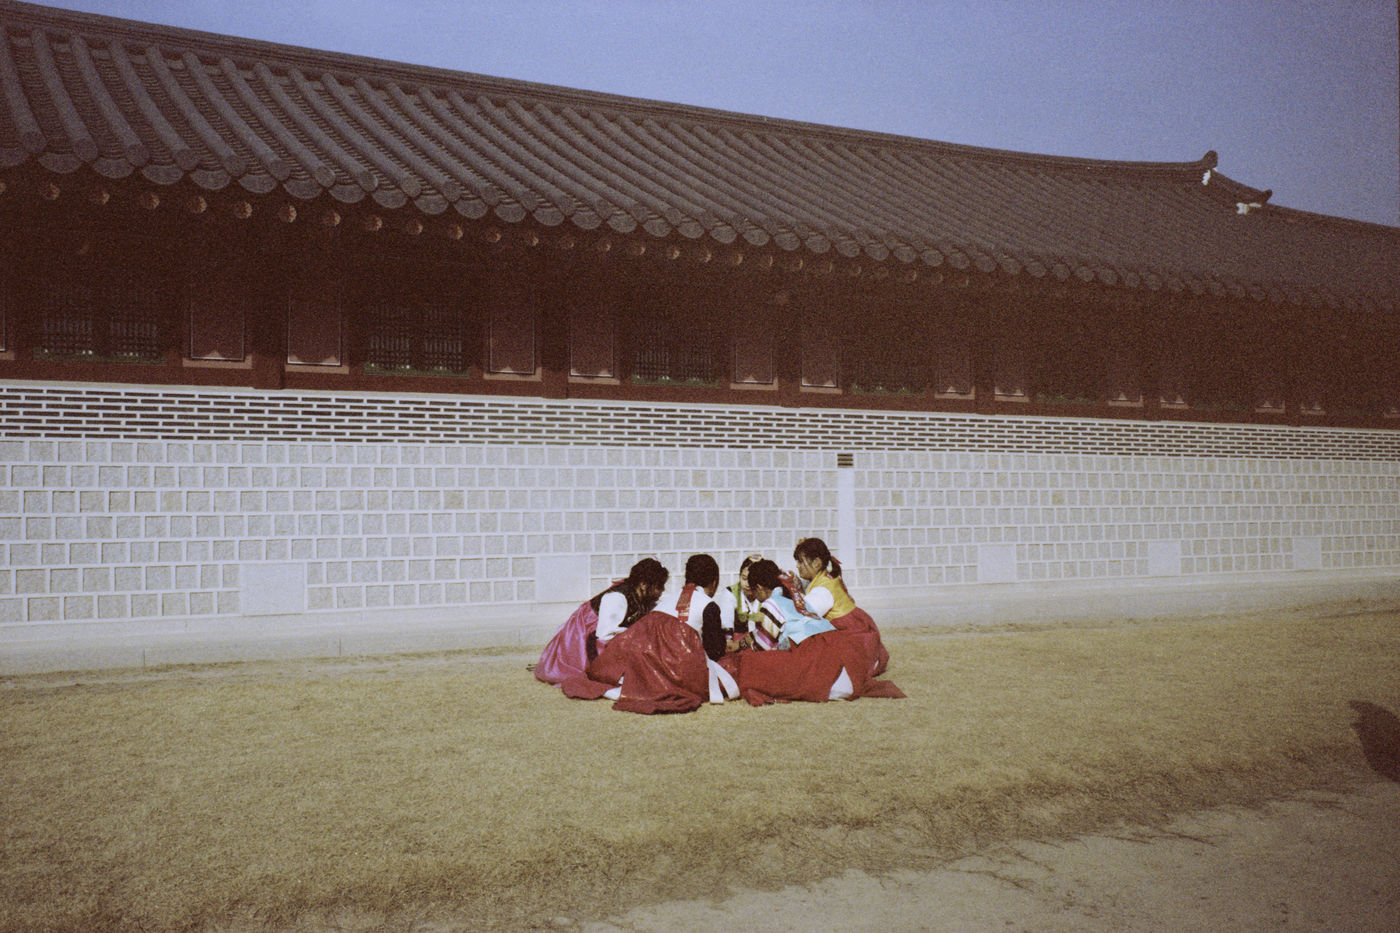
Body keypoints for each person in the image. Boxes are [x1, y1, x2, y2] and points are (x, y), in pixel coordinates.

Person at [727, 541, 904, 705]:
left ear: (759, 588)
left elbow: (763, 644)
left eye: (801, 561)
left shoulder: (773, 603)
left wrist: (741, 647)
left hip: (818, 652)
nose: (798, 566)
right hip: (839, 648)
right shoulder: (791, 594)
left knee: (752, 662)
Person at [561, 554, 739, 713]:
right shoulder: (709, 606)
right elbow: (715, 651)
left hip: (644, 658)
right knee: (733, 666)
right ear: (714, 581)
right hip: (676, 664)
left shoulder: (666, 601)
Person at [533, 558, 668, 686]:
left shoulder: (642, 598)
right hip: (586, 637)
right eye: (659, 586)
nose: (662, 591)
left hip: (609, 635)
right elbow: (604, 634)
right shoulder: (617, 597)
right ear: (643, 585)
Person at [792, 537, 890, 677]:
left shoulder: (822, 590)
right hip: (862, 637)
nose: (797, 566)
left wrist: (791, 591)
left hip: (852, 640)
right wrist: (798, 585)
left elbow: (803, 614)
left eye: (801, 561)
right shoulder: (827, 578)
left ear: (816, 563)